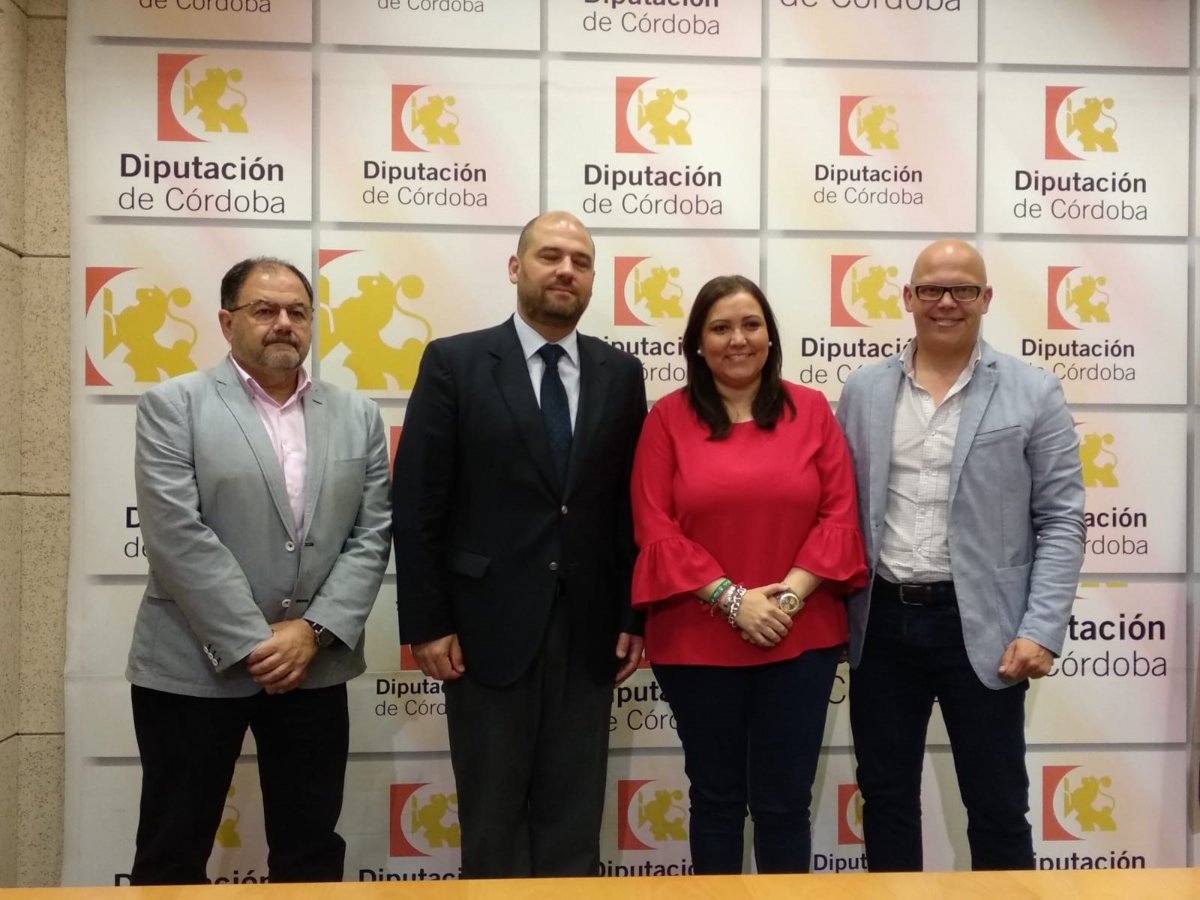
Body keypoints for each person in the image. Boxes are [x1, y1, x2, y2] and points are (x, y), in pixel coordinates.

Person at [392, 211, 648, 878]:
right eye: (549, 256)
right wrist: (427, 622)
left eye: (581, 261)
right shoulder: (455, 362)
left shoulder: (621, 374)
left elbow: (631, 507)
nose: (566, 270)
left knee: (574, 823)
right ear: (516, 268)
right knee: (493, 821)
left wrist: (633, 615)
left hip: (589, 631)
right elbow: (418, 504)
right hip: (483, 630)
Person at [126, 257, 391, 885]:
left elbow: (371, 533)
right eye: (264, 310)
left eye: (298, 312)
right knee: (171, 852)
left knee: (310, 853)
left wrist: (311, 633)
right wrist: (255, 642)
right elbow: (176, 535)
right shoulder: (173, 405)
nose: (284, 323)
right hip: (192, 667)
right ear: (227, 322)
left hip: (313, 667)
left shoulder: (358, 415)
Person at [835, 239, 1086, 871]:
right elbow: (838, 509)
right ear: (908, 297)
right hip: (881, 623)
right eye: (931, 289)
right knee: (886, 800)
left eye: (963, 290)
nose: (946, 302)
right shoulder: (863, 390)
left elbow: (1062, 519)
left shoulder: (1034, 392)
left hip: (985, 627)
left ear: (986, 298)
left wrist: (1041, 629)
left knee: (997, 807)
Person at [630, 274, 867, 874]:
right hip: (697, 638)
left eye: (751, 325)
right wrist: (734, 601)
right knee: (715, 801)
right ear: (697, 342)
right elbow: (655, 527)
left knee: (785, 805)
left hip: (799, 637)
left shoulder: (811, 410)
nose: (738, 339)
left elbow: (840, 515)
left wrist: (784, 602)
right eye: (721, 328)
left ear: (770, 336)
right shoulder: (666, 419)